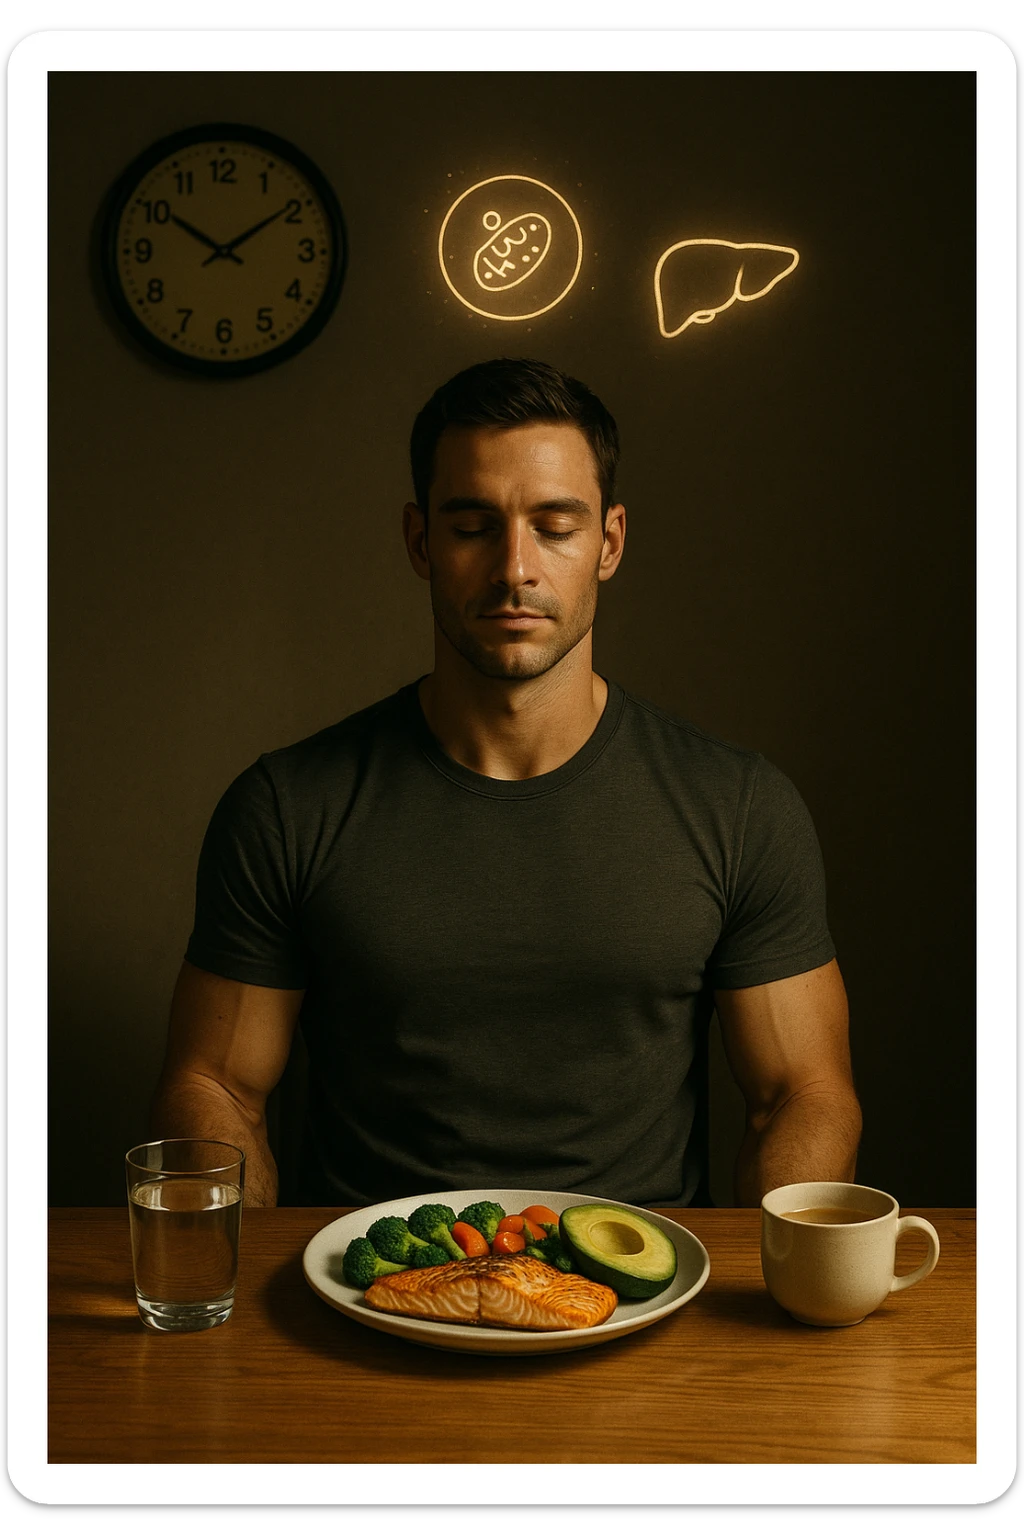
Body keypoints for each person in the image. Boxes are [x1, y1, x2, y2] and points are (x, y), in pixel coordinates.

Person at [151, 357, 862, 1209]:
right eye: (473, 526)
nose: (514, 567)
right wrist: (225, 1298)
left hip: (638, 1307)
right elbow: (219, 1089)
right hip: (361, 1303)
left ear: (611, 542)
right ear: (421, 542)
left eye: (555, 525)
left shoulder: (740, 808)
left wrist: (780, 1291)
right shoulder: (288, 807)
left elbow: (801, 1096)